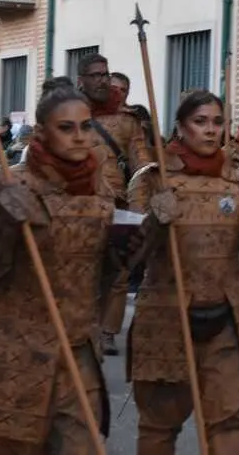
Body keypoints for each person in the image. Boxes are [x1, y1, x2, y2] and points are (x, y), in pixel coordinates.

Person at [0, 84, 115, 454]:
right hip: (15, 346)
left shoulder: (102, 189)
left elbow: (108, 274)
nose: (79, 137)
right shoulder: (13, 183)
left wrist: (140, 240)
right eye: (66, 128)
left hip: (77, 348)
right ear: (42, 133)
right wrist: (3, 221)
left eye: (86, 126)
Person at [127, 89, 239, 455]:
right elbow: (125, 259)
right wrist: (153, 223)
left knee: (230, 421)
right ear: (181, 127)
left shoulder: (238, 184)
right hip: (168, 315)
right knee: (159, 423)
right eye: (200, 122)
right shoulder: (152, 181)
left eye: (216, 122)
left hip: (225, 317)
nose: (210, 131)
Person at [76, 54, 150, 356]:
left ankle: (108, 331)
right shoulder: (71, 112)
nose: (102, 80)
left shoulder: (127, 118)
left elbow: (142, 167)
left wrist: (140, 209)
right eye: (95, 75)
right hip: (80, 203)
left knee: (118, 272)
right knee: (82, 269)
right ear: (81, 80)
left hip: (118, 204)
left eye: (105, 74)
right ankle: (81, 324)